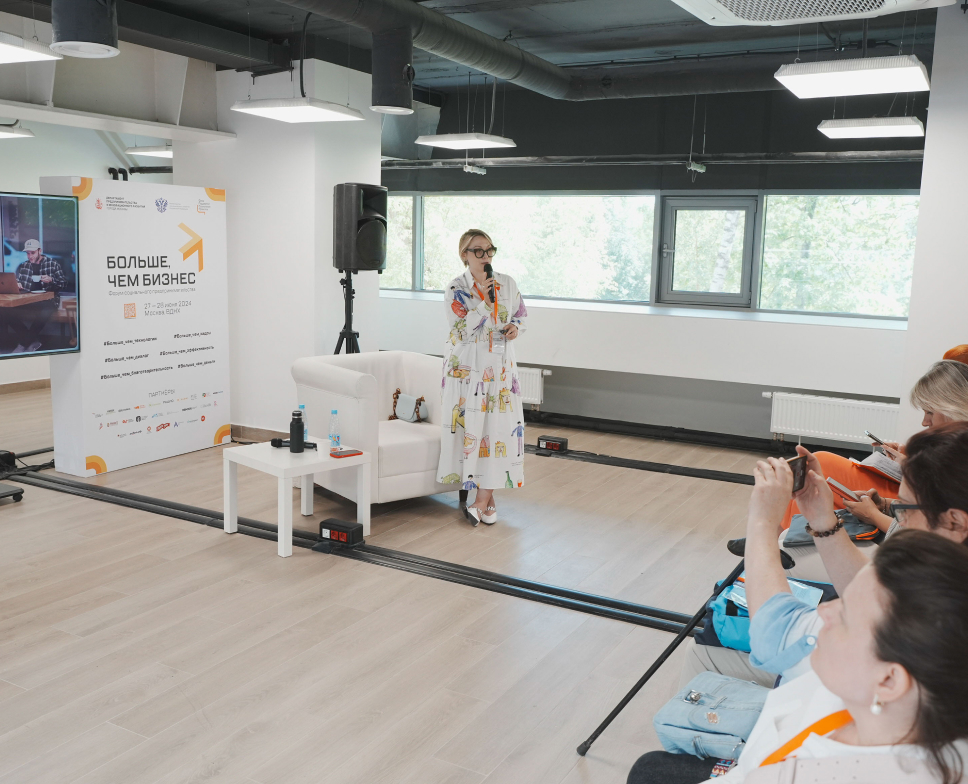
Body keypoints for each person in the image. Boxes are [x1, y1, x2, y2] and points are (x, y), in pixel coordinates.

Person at [632, 455, 968, 783]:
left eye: (847, 615)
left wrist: (762, 522)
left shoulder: (800, 770)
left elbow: (777, 631)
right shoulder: (900, 688)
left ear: (889, 681)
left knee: (649, 770)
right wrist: (820, 520)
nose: (824, 609)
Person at [679, 422, 968, 693]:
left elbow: (774, 637)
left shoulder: (936, 609)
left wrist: (761, 524)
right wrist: (821, 518)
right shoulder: (945, 573)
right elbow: (870, 593)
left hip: (851, 700)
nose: (898, 518)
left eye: (903, 507)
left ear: (955, 522)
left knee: (701, 652)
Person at [780, 359, 968, 530]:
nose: (924, 422)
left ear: (952, 408)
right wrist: (885, 503)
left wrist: (874, 516)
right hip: (906, 497)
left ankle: (784, 539)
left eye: (930, 412)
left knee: (814, 476)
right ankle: (783, 538)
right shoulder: (956, 447)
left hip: (907, 509)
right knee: (817, 467)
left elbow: (923, 533)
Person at [436, 229, 528, 526]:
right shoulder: (456, 288)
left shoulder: (507, 283)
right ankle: (487, 500)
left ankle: (481, 500)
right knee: (473, 431)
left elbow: (521, 315)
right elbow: (460, 330)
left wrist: (515, 327)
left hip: (500, 369)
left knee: (497, 431)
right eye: (478, 250)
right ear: (464, 254)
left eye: (489, 250)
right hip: (467, 368)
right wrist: (485, 304)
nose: (485, 256)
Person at [9, 239, 64, 353]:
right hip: (28, 300)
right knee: (5, 310)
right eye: (28, 253)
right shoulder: (24, 266)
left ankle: (23, 344)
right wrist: (17, 284)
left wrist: (52, 280)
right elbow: (20, 282)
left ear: (40, 251)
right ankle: (31, 341)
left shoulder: (52, 264)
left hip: (48, 300)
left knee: (46, 311)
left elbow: (63, 283)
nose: (30, 256)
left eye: (32, 253)